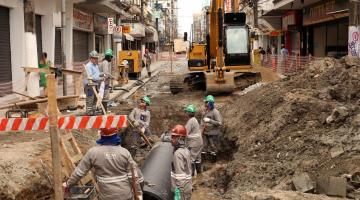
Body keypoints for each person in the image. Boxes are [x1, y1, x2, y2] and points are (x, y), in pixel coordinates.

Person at [63, 128, 143, 200]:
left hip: (106, 196)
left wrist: (68, 184)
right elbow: (134, 178)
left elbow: (79, 172)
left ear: (101, 136)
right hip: (125, 196)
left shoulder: (93, 153)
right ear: (116, 135)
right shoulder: (124, 152)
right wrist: (139, 195)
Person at [170, 125, 192, 200]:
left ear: (179, 138)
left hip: (181, 190)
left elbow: (180, 175)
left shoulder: (178, 154)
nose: (171, 139)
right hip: (187, 187)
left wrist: (178, 192)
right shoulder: (186, 150)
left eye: (174, 137)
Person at [201, 95, 222, 162]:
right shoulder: (205, 111)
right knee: (204, 146)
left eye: (206, 102)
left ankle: (213, 163)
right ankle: (203, 161)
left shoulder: (215, 112)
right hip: (206, 132)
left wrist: (210, 120)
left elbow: (219, 123)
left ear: (209, 103)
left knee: (213, 147)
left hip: (213, 134)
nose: (205, 104)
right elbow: (202, 120)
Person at [184, 104, 203, 176]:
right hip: (199, 142)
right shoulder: (194, 120)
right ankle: (199, 175)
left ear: (188, 113)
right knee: (198, 159)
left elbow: (185, 133)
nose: (185, 114)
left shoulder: (190, 121)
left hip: (194, 143)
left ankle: (190, 176)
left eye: (186, 112)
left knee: (191, 159)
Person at [83, 50, 101, 115]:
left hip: (95, 84)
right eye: (95, 58)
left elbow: (98, 74)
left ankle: (93, 111)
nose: (96, 60)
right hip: (89, 85)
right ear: (91, 58)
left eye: (96, 58)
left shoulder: (95, 65)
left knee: (95, 98)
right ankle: (88, 112)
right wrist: (99, 78)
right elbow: (90, 76)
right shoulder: (88, 66)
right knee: (90, 98)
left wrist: (101, 75)